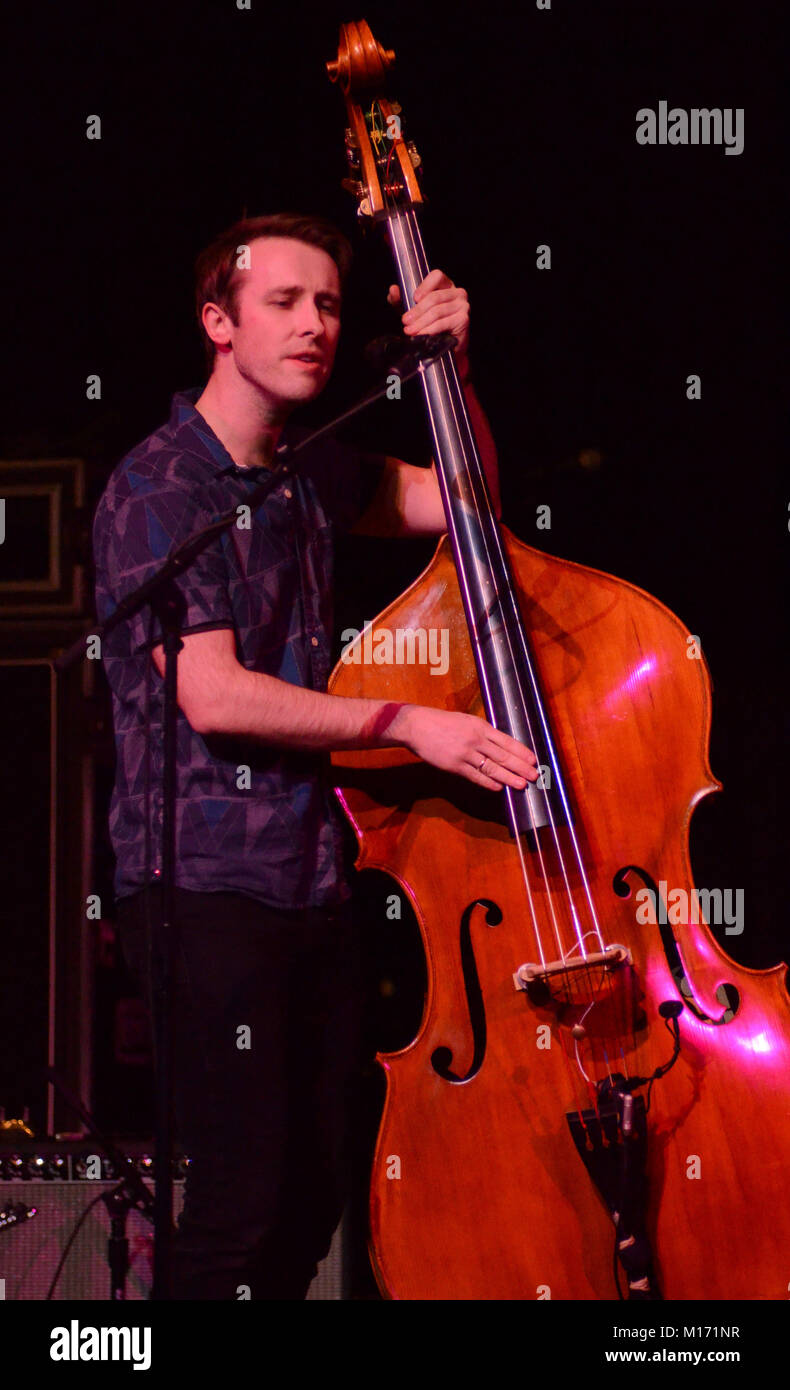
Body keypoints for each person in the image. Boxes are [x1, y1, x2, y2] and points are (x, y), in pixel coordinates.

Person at [92, 212, 538, 1300]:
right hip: (203, 886)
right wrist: (405, 722)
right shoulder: (160, 487)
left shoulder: (307, 472)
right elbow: (213, 693)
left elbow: (465, 504)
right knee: (239, 1203)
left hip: (308, 879)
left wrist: (452, 370)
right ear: (218, 322)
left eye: (331, 304)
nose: (315, 324)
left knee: (315, 1191)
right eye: (284, 303)